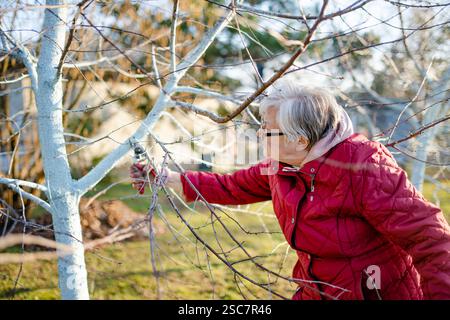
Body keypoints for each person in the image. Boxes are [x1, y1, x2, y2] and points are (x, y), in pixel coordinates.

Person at [130, 82, 450, 300]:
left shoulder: (367, 168)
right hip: (315, 291)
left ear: (300, 140)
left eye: (267, 130)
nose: (259, 134)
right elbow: (232, 185)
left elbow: (432, 239)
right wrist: (165, 177)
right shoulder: (282, 164)